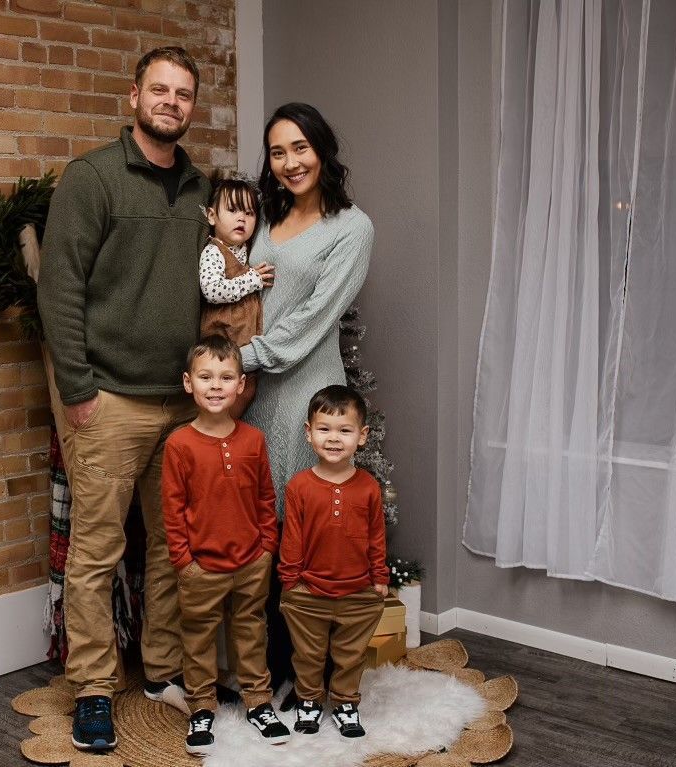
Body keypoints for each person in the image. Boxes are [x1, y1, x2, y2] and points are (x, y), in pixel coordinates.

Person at [37, 46, 210, 752]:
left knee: (171, 548)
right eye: (159, 90)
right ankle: (93, 689)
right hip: (110, 401)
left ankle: (163, 669)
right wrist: (78, 388)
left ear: (192, 107)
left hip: (184, 405)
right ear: (134, 96)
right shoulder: (93, 177)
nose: (171, 102)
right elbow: (60, 287)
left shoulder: (201, 189)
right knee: (97, 552)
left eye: (183, 94)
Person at [240, 102, 376, 695]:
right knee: (255, 528)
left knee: (299, 528)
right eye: (278, 152)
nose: (290, 162)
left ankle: (305, 674)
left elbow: (314, 320)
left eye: (301, 148)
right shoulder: (264, 218)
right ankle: (259, 668)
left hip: (302, 390)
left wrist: (241, 358)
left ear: (322, 150)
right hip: (248, 394)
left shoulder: (351, 228)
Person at [162, 336, 290, 756]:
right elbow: (173, 509)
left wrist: (267, 546)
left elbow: (266, 497)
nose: (216, 386)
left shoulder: (253, 439)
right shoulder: (180, 444)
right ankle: (201, 708)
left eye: (226, 377)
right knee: (198, 639)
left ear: (241, 385)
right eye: (206, 377)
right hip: (201, 567)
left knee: (250, 632)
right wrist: (184, 561)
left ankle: (258, 702)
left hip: (251, 561)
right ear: (189, 383)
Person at [278, 385, 389, 738]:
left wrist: (379, 577)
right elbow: (292, 538)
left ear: (362, 436)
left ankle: (344, 704)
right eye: (324, 429)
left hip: (358, 591)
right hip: (308, 591)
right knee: (308, 655)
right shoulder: (299, 486)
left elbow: (376, 536)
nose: (334, 438)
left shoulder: (368, 487)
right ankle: (309, 701)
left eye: (345, 430)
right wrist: (290, 580)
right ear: (309, 433)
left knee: (350, 655)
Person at [198, 174, 274, 418]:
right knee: (225, 400)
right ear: (212, 216)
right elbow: (212, 290)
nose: (241, 218)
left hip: (244, 343)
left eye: (249, 213)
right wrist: (251, 280)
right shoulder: (214, 251)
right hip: (222, 340)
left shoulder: (245, 250)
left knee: (246, 392)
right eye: (232, 210)